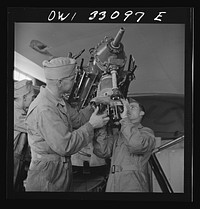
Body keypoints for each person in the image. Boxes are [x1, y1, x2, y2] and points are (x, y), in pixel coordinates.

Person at [25, 56, 110, 192]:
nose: (74, 81)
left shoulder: (57, 101)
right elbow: (65, 145)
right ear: (60, 82)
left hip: (58, 170)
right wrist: (92, 125)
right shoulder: (44, 109)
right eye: (71, 79)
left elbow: (79, 119)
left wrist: (93, 104)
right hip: (46, 176)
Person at [93, 98, 156, 192]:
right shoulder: (118, 134)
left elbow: (137, 145)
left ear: (141, 113)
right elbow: (102, 152)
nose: (128, 109)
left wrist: (125, 119)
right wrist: (102, 126)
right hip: (112, 182)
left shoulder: (146, 132)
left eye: (132, 107)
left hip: (133, 182)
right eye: (127, 107)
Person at [14, 79, 36, 191]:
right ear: (24, 97)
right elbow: (34, 126)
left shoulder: (20, 111)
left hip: (18, 159)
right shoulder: (15, 113)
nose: (33, 100)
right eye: (32, 98)